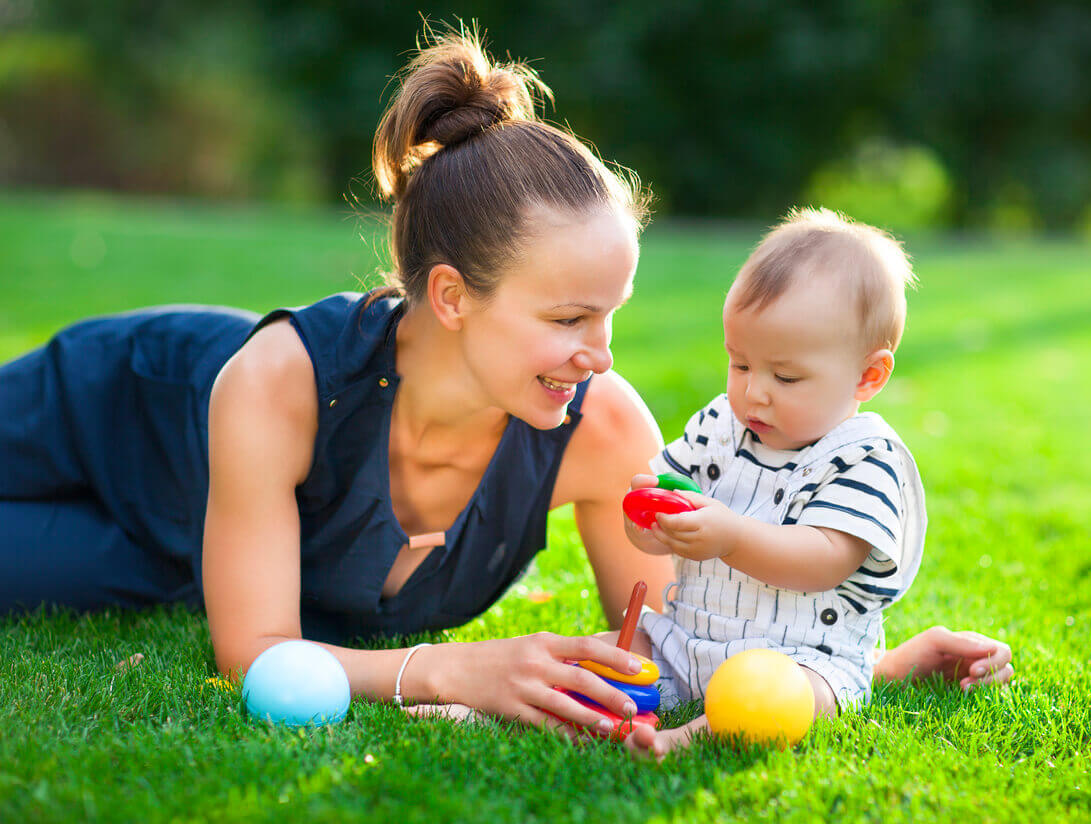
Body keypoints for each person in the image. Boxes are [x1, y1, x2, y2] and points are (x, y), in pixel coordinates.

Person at [0, 31, 1010, 741]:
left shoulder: (601, 431)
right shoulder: (280, 383)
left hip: (170, 548)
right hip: (104, 414)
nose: (601, 355)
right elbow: (253, 652)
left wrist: (876, 661)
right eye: (568, 319)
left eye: (609, 314)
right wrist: (453, 671)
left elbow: (681, 651)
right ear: (450, 296)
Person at [616, 208, 953, 757]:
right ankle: (473, 704)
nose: (754, 393)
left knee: (772, 697)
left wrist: (731, 537)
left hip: (803, 660)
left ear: (869, 376)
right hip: (687, 643)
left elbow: (825, 558)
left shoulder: (864, 459)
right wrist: (648, 521)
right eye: (740, 364)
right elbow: (661, 508)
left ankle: (687, 739)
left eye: (786, 376)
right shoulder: (718, 426)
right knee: (601, 653)